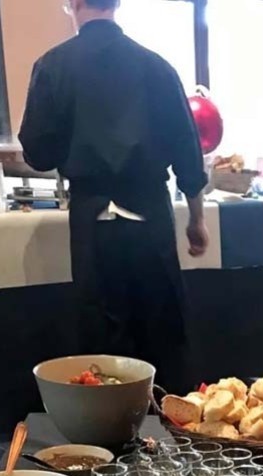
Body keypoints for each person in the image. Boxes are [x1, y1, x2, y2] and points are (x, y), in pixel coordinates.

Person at [19, 0, 209, 389]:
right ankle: (175, 432)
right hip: (150, 210)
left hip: (91, 215)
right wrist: (197, 220)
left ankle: (108, 438)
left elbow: (37, 153)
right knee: (164, 327)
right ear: (118, 4)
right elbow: (188, 152)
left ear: (72, 3)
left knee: (100, 332)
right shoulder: (156, 67)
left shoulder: (53, 67)